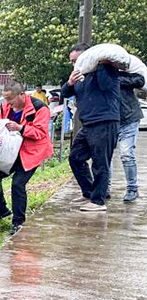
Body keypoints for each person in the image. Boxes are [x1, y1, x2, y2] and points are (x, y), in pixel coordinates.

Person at [0, 81, 54, 234]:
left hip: (31, 152)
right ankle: (0, 209)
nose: (7, 103)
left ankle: (18, 222)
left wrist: (21, 128)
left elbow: (40, 133)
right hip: (10, 151)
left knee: (18, 184)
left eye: (10, 99)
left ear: (22, 95)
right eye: (5, 99)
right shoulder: (4, 108)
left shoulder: (39, 108)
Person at [61, 42, 123, 212]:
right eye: (72, 62)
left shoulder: (107, 70)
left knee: (100, 163)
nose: (74, 64)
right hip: (87, 124)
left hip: (105, 122)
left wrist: (100, 65)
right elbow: (65, 93)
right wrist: (70, 82)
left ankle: (98, 201)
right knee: (75, 158)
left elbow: (106, 86)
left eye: (76, 60)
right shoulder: (80, 76)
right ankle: (89, 193)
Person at [115, 69, 145, 202]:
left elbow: (140, 80)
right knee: (105, 156)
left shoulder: (121, 74)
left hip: (129, 118)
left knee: (126, 154)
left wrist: (117, 80)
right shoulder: (94, 76)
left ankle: (132, 189)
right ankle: (105, 189)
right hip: (109, 120)